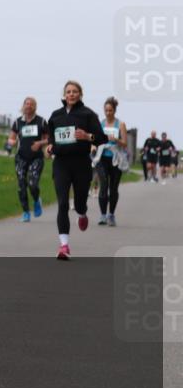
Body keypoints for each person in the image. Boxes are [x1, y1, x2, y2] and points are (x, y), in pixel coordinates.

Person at [46, 81, 108, 260]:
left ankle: (82, 213)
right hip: (61, 164)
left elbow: (102, 138)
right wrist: (50, 146)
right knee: (63, 204)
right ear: (64, 95)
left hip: (81, 163)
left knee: (79, 202)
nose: (71, 94)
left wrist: (88, 136)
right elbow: (51, 136)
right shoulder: (55, 115)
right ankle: (64, 246)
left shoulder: (88, 114)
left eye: (74, 92)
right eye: (68, 92)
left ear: (80, 94)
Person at [7, 97, 49, 222]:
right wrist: (12, 142)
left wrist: (40, 143)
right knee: (21, 184)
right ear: (23, 106)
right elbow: (11, 138)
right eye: (26, 104)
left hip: (36, 158)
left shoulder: (41, 121)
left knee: (32, 183)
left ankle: (36, 200)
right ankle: (25, 212)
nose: (28, 106)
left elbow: (49, 139)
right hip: (21, 157)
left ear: (34, 107)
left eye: (31, 104)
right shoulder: (18, 122)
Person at [96, 98, 128, 226]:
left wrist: (116, 139)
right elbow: (96, 140)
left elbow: (125, 144)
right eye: (106, 110)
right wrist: (94, 146)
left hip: (116, 159)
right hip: (102, 158)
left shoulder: (120, 124)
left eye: (110, 110)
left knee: (113, 189)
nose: (108, 113)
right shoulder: (100, 124)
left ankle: (111, 215)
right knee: (103, 186)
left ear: (114, 111)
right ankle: (103, 215)